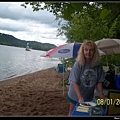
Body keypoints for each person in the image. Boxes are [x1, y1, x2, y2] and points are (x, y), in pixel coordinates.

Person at [67, 40, 106, 116]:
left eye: (91, 50)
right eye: (86, 50)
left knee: (86, 113)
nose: (88, 52)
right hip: (75, 94)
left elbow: (99, 81)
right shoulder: (78, 64)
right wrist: (80, 97)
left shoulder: (98, 65)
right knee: (72, 112)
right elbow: (74, 82)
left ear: (94, 51)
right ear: (82, 51)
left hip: (88, 95)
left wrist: (101, 94)